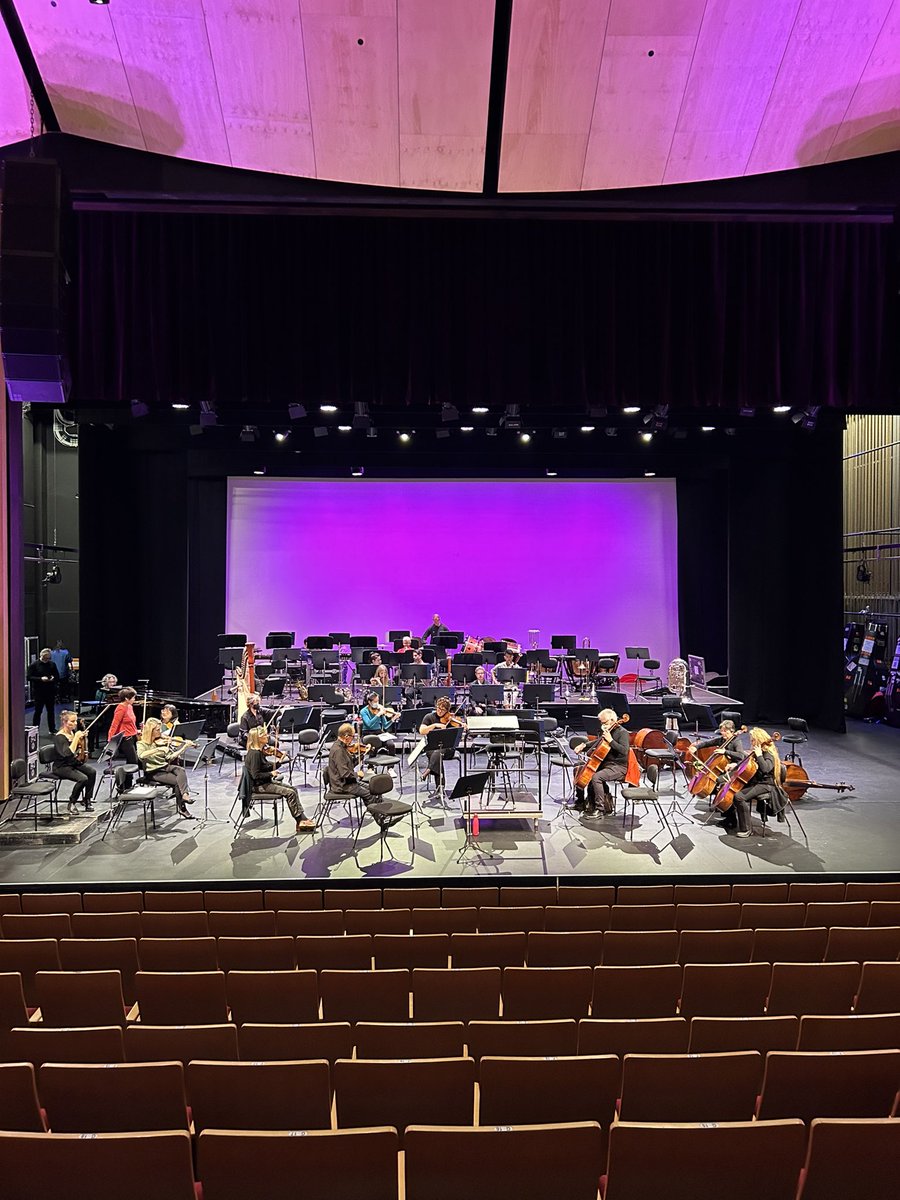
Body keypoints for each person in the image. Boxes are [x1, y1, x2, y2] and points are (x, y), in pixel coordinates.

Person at [720, 726, 788, 837]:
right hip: (757, 781)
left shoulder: (768, 754)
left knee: (739, 797)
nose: (751, 742)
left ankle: (746, 829)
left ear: (759, 740)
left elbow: (765, 769)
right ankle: (731, 820)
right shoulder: (757, 752)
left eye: (753, 740)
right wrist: (735, 765)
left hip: (767, 785)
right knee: (730, 789)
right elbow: (747, 763)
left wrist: (759, 755)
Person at [245, 726, 315, 833]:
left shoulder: (259, 752)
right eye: (264, 735)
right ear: (258, 738)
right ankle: (299, 821)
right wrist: (271, 774)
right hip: (259, 786)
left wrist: (278, 763)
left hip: (264, 783)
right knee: (290, 793)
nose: (267, 736)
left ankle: (303, 819)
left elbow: (265, 767)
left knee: (293, 789)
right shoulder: (255, 754)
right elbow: (255, 775)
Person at [573, 707, 629, 815]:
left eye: (604, 722)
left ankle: (600, 808)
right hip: (605, 764)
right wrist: (583, 745)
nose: (602, 725)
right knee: (578, 769)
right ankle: (580, 802)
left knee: (596, 777)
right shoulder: (608, 731)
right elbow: (598, 742)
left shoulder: (622, 733)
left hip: (618, 766)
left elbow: (624, 751)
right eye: (601, 722)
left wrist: (611, 740)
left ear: (612, 720)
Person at [137, 718, 195, 817]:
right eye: (158, 730)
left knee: (181, 770)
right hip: (153, 771)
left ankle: (185, 795)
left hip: (164, 766)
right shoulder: (141, 743)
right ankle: (183, 808)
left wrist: (184, 747)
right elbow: (141, 755)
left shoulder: (159, 742)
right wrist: (158, 750)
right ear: (151, 731)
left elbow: (170, 757)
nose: (160, 732)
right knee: (177, 782)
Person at [53, 709, 96, 815]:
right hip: (61, 766)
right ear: (64, 722)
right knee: (83, 778)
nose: (75, 723)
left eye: (75, 721)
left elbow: (78, 749)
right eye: (72, 721)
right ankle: (72, 802)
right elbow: (67, 753)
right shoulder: (60, 737)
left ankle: (87, 799)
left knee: (92, 772)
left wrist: (83, 739)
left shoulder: (71, 733)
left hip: (72, 762)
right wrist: (76, 737)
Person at [418, 697, 464, 789]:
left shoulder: (451, 720)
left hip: (448, 749)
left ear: (447, 711)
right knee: (437, 754)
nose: (439, 711)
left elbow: (457, 736)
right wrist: (435, 725)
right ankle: (440, 788)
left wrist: (462, 725)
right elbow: (422, 731)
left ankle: (429, 770)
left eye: (443, 710)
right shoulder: (429, 717)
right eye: (438, 708)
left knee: (439, 751)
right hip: (432, 748)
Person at [327, 722, 372, 804]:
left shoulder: (342, 747)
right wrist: (357, 774)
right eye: (353, 736)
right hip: (342, 786)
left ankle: (378, 809)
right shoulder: (338, 751)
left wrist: (363, 754)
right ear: (346, 736)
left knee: (374, 788)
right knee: (369, 794)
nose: (353, 739)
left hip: (348, 782)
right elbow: (344, 773)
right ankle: (376, 812)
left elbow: (350, 764)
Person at [28, 648, 59, 734]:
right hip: (39, 692)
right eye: (46, 658)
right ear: (42, 656)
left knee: (51, 711)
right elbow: (29, 677)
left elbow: (57, 676)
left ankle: (52, 728)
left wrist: (53, 678)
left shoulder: (52, 664)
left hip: (50, 691)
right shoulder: (34, 665)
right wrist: (40, 679)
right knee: (38, 711)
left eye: (49, 658)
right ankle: (35, 729)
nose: (47, 660)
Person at [108, 687, 139, 764]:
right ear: (126, 698)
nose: (134, 699)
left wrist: (137, 730)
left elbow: (131, 722)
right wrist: (110, 739)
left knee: (133, 761)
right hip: (125, 738)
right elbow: (114, 724)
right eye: (133, 698)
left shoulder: (130, 706)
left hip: (132, 736)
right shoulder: (121, 708)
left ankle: (128, 772)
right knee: (133, 761)